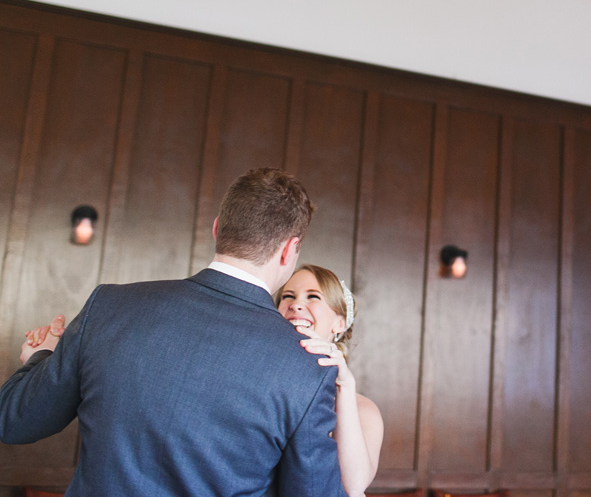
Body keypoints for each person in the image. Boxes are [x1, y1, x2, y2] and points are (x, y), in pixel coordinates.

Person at [0, 168, 346, 497]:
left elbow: (14, 421)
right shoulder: (306, 366)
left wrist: (41, 357)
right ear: (289, 249)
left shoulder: (109, 305)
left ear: (216, 229)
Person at [277, 265, 384, 497]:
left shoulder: (363, 409)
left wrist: (345, 385)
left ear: (339, 323)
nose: (295, 304)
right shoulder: (267, 390)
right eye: (288, 296)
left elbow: (354, 486)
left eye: (313, 297)